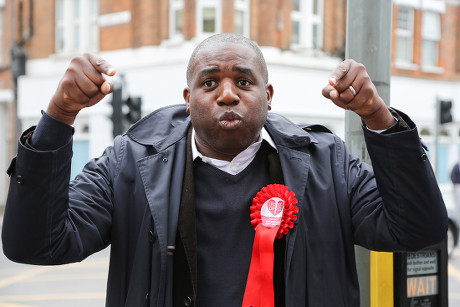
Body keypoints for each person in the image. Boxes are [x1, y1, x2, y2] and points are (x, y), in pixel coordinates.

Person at [2, 33, 447, 306]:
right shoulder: (129, 164)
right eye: (210, 82)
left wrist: (379, 120)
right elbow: (36, 244)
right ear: (188, 96)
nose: (228, 94)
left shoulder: (328, 163)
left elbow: (416, 230)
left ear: (268, 95)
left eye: (244, 81)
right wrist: (58, 117)